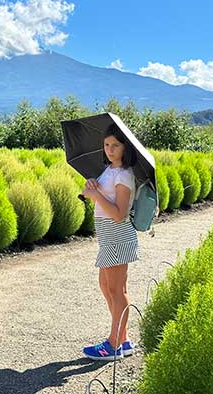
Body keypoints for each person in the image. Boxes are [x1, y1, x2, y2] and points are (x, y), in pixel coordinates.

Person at [80, 123, 138, 361]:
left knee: (116, 290)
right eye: (106, 145)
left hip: (118, 235)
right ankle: (122, 341)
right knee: (107, 287)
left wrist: (95, 195)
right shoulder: (109, 170)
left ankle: (114, 344)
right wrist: (93, 186)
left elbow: (119, 213)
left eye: (115, 145)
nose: (110, 149)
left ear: (126, 147)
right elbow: (102, 198)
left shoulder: (124, 174)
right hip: (108, 237)